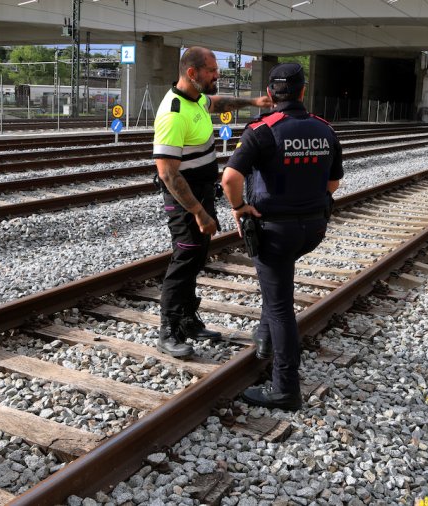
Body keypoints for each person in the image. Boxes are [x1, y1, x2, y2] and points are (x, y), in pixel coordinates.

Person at [221, 62, 343, 410]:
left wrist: (240, 207)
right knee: (276, 286)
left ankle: (285, 388)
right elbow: (333, 183)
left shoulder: (262, 130)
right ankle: (264, 340)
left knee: (280, 307)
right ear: (304, 91)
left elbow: (230, 179)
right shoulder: (325, 129)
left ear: (270, 93)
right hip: (313, 229)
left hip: (274, 232)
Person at [153, 46, 272, 359]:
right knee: (185, 257)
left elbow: (218, 102)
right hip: (184, 199)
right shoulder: (174, 112)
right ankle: (169, 328)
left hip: (201, 194)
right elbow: (167, 173)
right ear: (192, 74)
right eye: (212, 71)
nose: (217, 75)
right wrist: (199, 213)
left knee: (196, 256)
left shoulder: (196, 100)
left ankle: (188, 319)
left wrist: (253, 102)